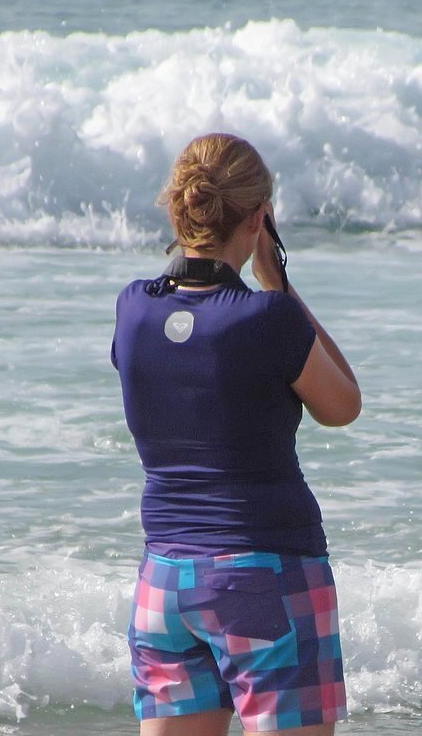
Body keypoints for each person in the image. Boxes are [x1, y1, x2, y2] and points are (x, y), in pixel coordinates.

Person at [112, 133, 361, 736]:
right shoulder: (268, 317)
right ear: (260, 219)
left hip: (165, 581)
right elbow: (343, 404)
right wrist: (279, 284)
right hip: (263, 574)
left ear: (179, 210)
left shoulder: (133, 309)